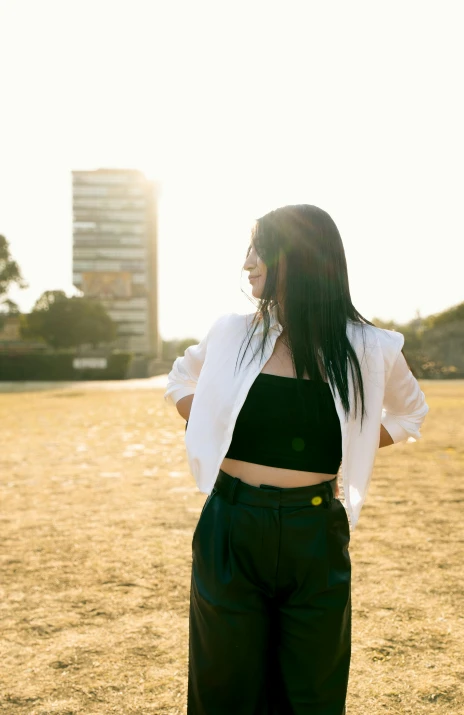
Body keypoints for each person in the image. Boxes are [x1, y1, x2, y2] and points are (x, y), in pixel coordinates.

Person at [164, 204, 429, 715]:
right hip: (231, 525)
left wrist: (348, 445)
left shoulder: (370, 346)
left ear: (301, 256)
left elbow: (410, 414)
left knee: (312, 694)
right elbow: (181, 378)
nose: (247, 263)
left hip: (316, 532)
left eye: (260, 248)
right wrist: (212, 422)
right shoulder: (232, 332)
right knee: (224, 690)